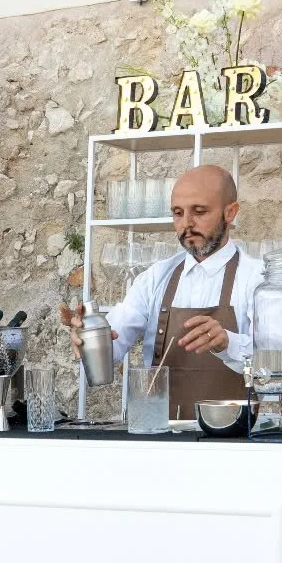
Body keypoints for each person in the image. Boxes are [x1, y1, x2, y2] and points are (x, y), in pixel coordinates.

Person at [69, 165, 263, 419]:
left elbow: (278, 365)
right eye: (178, 213)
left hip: (234, 434)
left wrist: (228, 342)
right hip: (161, 431)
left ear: (231, 213)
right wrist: (90, 338)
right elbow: (114, 345)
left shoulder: (259, 280)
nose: (187, 224)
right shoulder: (155, 278)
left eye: (199, 212)